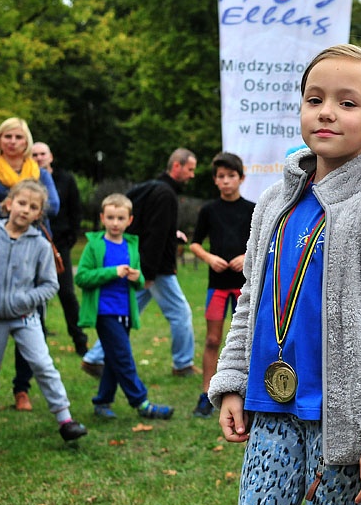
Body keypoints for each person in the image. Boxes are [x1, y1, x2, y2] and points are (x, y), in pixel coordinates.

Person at [208, 44, 361, 505]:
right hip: (269, 409)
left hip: (342, 426)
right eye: (315, 99)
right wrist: (231, 380)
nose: (327, 111)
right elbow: (252, 297)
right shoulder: (275, 201)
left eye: (348, 103)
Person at [0, 180, 87, 448]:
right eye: (21, 203)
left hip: (25, 317)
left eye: (33, 207)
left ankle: (65, 420)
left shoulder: (41, 245)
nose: (25, 210)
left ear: (38, 214)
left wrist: (24, 300)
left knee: (44, 366)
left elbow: (50, 285)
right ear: (8, 204)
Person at [80, 149, 198, 378]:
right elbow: (154, 235)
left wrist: (172, 234)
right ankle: (183, 364)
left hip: (144, 266)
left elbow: (149, 226)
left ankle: (94, 358)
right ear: (177, 166)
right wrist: (150, 273)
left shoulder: (154, 188)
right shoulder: (165, 194)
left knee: (127, 308)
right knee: (181, 314)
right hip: (156, 270)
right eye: (190, 169)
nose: (192, 175)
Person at [0, 117, 61, 412]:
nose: (12, 141)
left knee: (29, 321)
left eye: (18, 137)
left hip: (32, 251)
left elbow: (55, 205)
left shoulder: (38, 170)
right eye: (6, 136)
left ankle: (22, 389)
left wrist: (19, 198)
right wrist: (27, 197)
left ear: (26, 141)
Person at [75, 193, 174, 420]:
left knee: (113, 358)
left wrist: (137, 278)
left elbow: (139, 282)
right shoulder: (95, 246)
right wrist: (112, 272)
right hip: (104, 312)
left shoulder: (131, 246)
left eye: (120, 218)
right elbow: (81, 277)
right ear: (102, 218)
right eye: (110, 217)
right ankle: (142, 402)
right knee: (123, 357)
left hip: (126, 312)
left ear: (129, 220)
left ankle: (102, 402)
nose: (115, 223)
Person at [188, 152, 255, 418]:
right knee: (213, 339)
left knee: (247, 340)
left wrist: (246, 257)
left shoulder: (252, 209)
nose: (226, 181)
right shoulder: (208, 210)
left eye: (231, 176)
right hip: (216, 285)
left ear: (241, 178)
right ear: (215, 180)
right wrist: (208, 257)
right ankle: (206, 393)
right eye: (221, 177)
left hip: (244, 287)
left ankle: (247, 393)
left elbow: (263, 244)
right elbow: (194, 243)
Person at [31, 142, 88, 356]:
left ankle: (80, 339)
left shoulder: (66, 179)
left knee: (66, 292)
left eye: (42, 153)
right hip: (35, 239)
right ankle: (39, 337)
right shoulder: (29, 178)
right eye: (34, 154)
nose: (38, 157)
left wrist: (71, 237)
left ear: (51, 156)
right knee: (36, 292)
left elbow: (76, 210)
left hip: (60, 243)